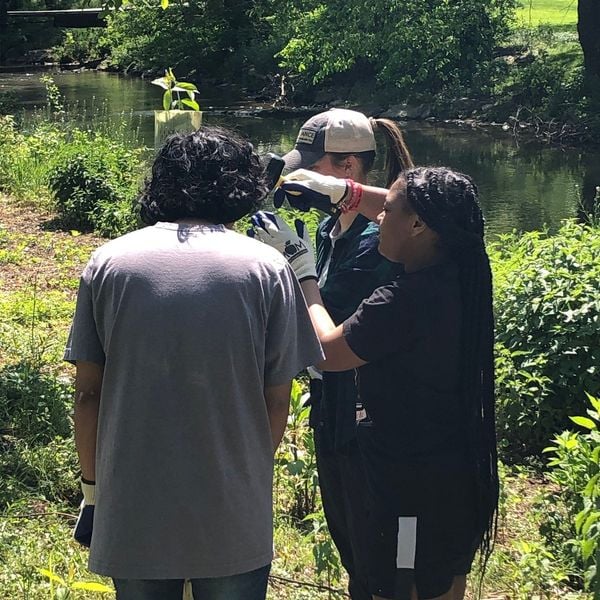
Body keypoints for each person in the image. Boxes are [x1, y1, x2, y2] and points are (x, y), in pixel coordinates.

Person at [65, 127, 324, 600]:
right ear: (240, 186)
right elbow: (277, 398)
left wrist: (93, 490)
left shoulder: (109, 263)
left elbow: (87, 394)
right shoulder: (266, 268)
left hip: (133, 503)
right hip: (232, 509)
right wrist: (243, 473)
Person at [250, 166, 499, 600]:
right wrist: (347, 193)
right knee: (441, 579)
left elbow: (327, 351)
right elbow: (421, 203)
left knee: (402, 586)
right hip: (450, 472)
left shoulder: (403, 301)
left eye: (386, 211)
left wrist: (301, 269)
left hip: (409, 489)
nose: (377, 218)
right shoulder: (459, 269)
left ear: (419, 225)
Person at [278, 108, 413, 600]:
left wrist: (301, 275)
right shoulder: (327, 232)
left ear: (349, 168)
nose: (300, 179)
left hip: (368, 415)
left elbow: (342, 336)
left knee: (380, 548)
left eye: (314, 168)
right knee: (349, 538)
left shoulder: (382, 241)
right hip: (329, 408)